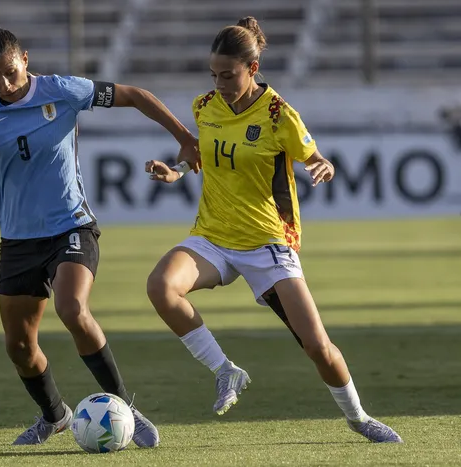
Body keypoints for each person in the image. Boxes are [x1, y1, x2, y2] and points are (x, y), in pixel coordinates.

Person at [0, 26, 198, 447]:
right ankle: (55, 415)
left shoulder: (63, 90)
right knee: (20, 347)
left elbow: (134, 94)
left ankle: (125, 409)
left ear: (24, 58)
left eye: (10, 72)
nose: (5, 85)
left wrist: (185, 138)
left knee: (72, 307)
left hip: (71, 226)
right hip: (18, 241)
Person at [144, 17, 402, 443]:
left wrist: (324, 164)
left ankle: (359, 418)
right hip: (212, 236)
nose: (220, 83)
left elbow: (316, 157)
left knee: (317, 347)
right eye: (214, 74)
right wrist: (175, 172)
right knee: (160, 286)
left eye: (228, 75)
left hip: (268, 244)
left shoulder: (281, 114)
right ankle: (226, 371)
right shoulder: (204, 106)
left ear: (253, 67)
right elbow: (204, 160)